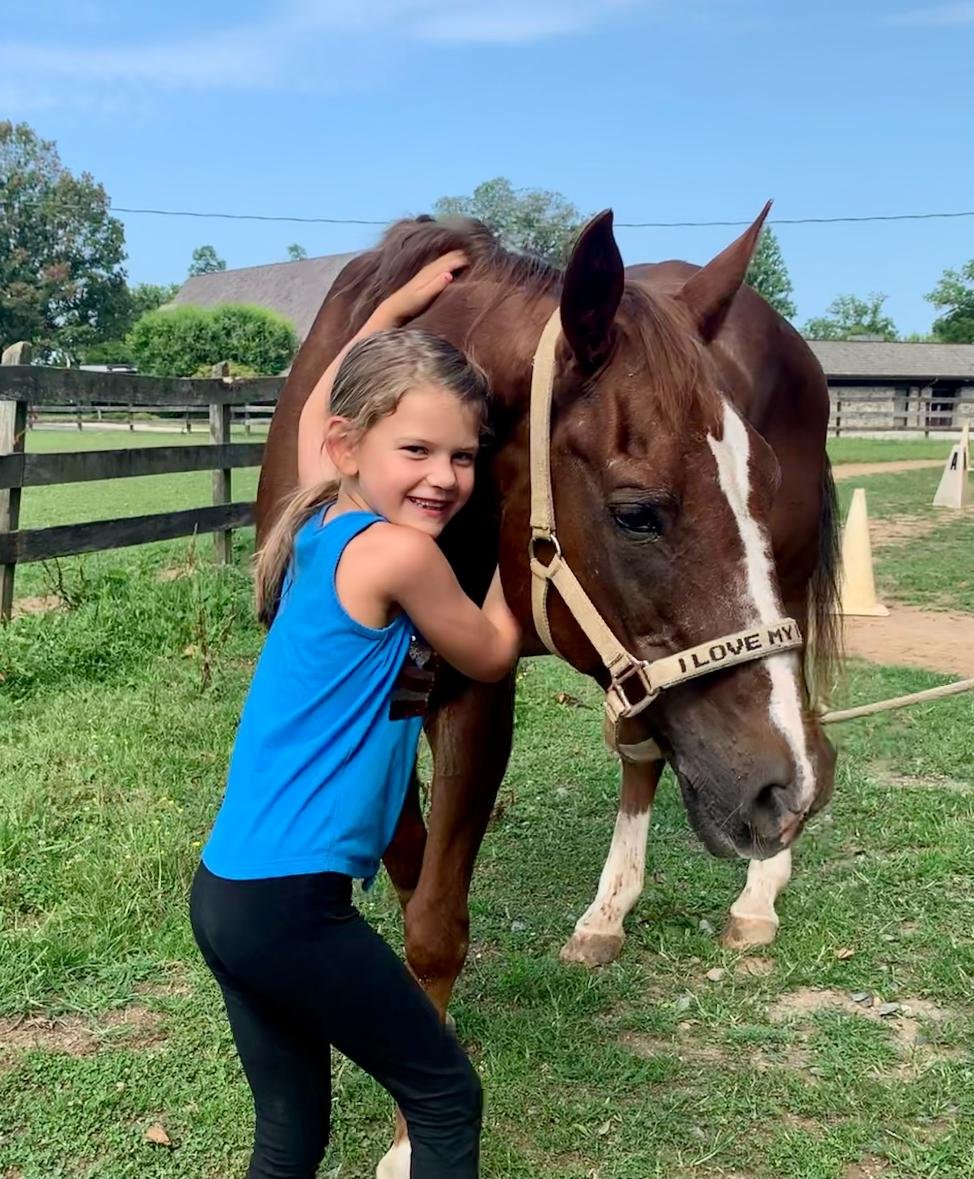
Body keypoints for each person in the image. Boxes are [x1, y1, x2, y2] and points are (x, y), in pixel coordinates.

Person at [189, 256, 521, 1179]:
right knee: (445, 1097)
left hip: (226, 893)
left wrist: (391, 310)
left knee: (291, 1132)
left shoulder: (316, 521)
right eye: (416, 451)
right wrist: (524, 535)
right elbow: (491, 652)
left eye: (462, 455)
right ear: (354, 448)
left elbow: (310, 413)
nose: (447, 476)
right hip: (294, 906)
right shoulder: (396, 554)